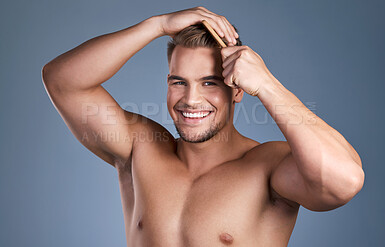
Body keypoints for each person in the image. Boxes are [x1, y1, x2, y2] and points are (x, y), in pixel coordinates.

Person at [41, 6, 365, 247]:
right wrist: (158, 25)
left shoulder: (268, 168)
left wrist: (268, 84)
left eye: (209, 83)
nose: (190, 100)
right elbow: (63, 81)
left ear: (237, 89)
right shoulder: (141, 148)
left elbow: (344, 181)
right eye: (178, 82)